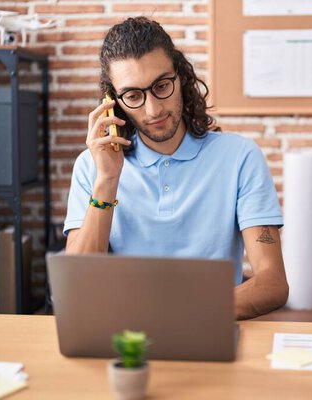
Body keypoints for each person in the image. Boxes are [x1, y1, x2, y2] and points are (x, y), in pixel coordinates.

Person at [63, 17, 288, 320]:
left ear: (181, 77)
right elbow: (78, 285)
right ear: (112, 102)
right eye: (133, 96)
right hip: (123, 337)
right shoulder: (92, 167)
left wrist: (184, 314)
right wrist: (107, 179)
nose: (153, 109)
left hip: (207, 327)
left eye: (161, 86)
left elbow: (272, 283)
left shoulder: (240, 157)